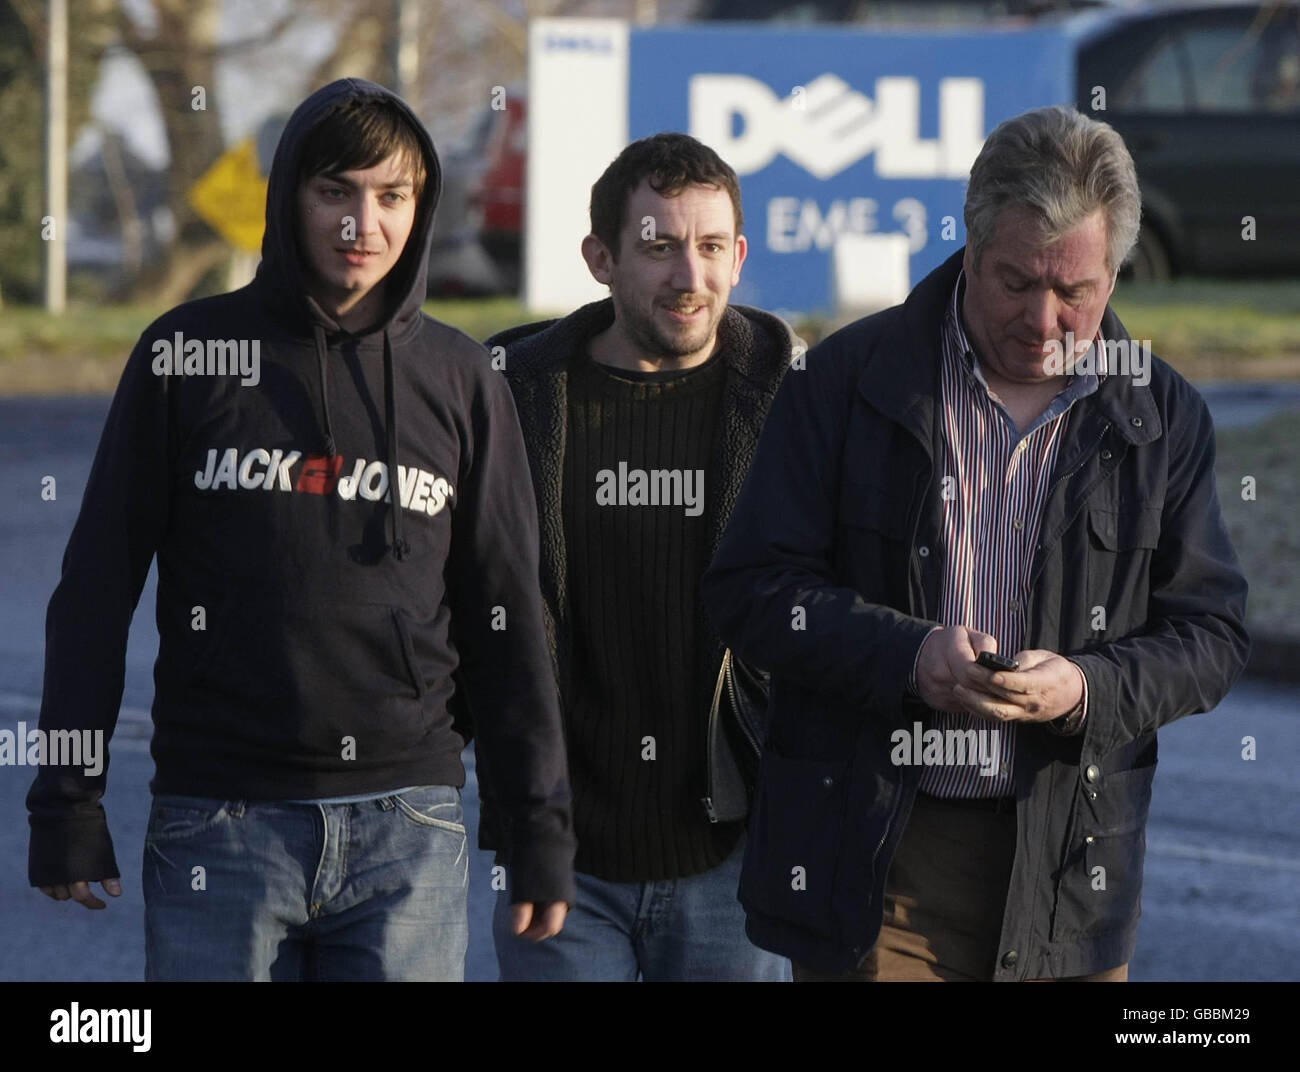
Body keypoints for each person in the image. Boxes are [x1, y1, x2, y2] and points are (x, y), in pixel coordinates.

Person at [26, 78, 575, 981]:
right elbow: (93, 593)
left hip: (410, 826)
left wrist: (537, 824)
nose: (365, 222)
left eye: (392, 196)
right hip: (221, 818)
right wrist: (67, 805)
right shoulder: (187, 357)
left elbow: (507, 615)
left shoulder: (463, 378)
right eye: (337, 192)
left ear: (420, 207)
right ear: (290, 200)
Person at [702, 106, 1250, 982]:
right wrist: (909, 657)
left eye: (1075, 291)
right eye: (1015, 281)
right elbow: (752, 592)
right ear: (970, 242)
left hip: (1072, 867)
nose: (1042, 320)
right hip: (880, 858)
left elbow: (1211, 636)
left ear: (1116, 270)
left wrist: (1085, 687)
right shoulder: (847, 382)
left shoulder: (1162, 414)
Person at [485, 132, 796, 981]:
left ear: (738, 255)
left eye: (708, 248)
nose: (689, 280)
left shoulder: (794, 404)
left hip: (736, 855)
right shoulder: (510, 397)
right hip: (561, 860)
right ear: (600, 258)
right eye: (657, 247)